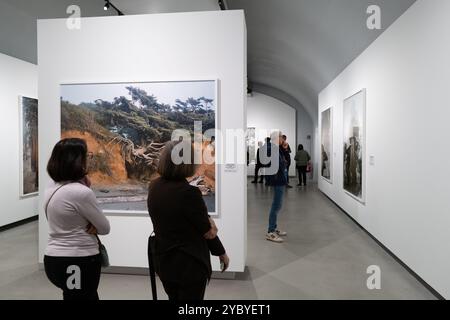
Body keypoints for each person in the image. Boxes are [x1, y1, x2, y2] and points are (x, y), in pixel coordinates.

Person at [147, 140, 229, 300]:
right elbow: (207, 230)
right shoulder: (188, 193)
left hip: (164, 261)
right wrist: (221, 253)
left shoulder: (154, 186)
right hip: (188, 265)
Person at [44, 138, 110, 300]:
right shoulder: (80, 192)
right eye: (86, 156)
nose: (88, 160)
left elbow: (67, 218)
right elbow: (104, 228)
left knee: (73, 297)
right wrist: (92, 224)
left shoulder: (51, 186)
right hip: (78, 260)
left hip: (53, 259)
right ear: (77, 161)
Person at [265, 132, 288, 243]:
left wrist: (284, 149)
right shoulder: (271, 148)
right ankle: (270, 232)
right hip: (277, 179)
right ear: (276, 138)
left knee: (278, 205)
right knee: (276, 205)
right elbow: (278, 163)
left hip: (279, 179)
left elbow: (284, 161)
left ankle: (273, 227)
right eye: (281, 136)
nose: (282, 138)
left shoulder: (276, 148)